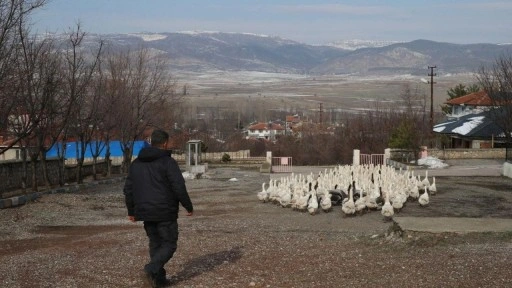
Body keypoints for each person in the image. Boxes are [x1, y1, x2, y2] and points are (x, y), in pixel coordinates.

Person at [124, 129, 193, 287]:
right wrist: (188, 206)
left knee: (155, 244)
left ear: (151, 142)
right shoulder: (168, 162)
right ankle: (151, 269)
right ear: (165, 143)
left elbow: (128, 189)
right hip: (165, 211)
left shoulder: (136, 163)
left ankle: (159, 280)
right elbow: (178, 187)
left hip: (145, 212)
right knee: (169, 244)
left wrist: (131, 211)